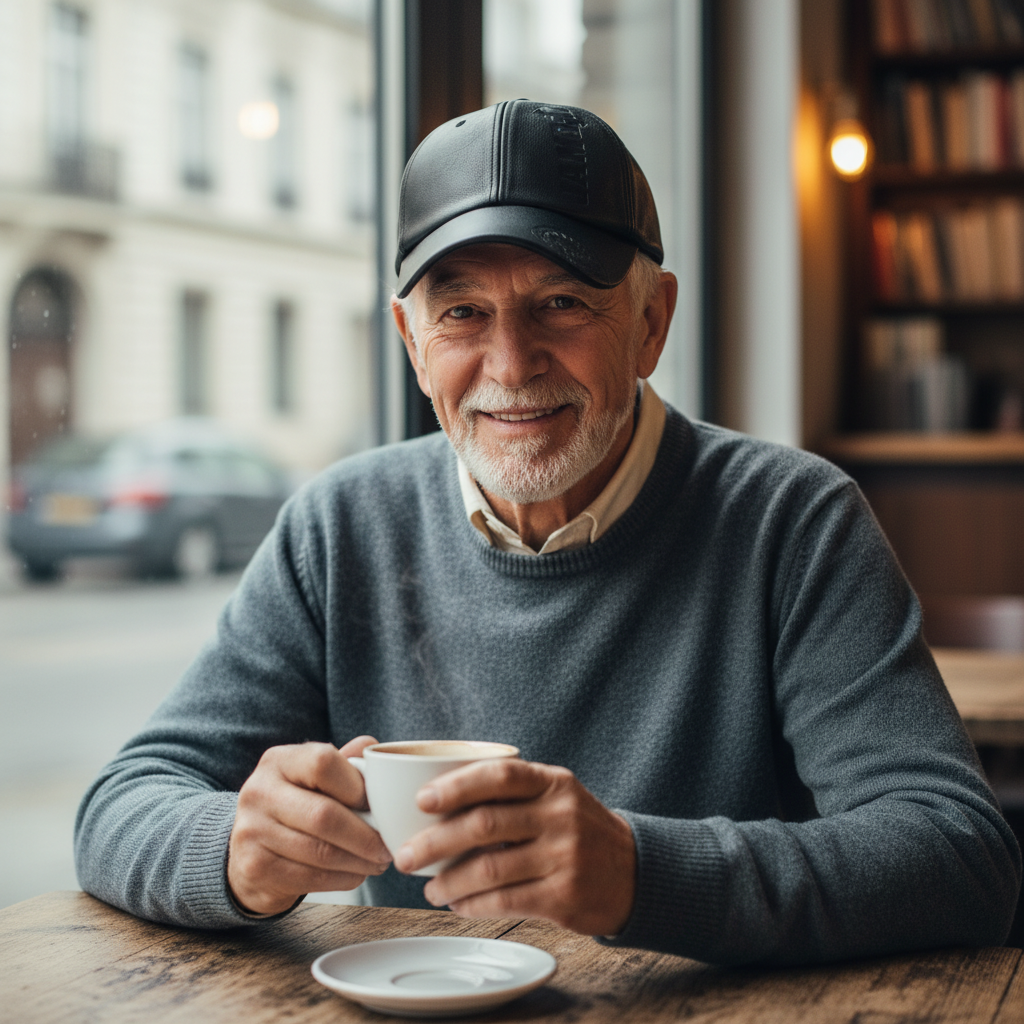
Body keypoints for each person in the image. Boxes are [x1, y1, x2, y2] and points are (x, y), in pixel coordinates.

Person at [75, 100, 1020, 966]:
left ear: (651, 323)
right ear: (411, 342)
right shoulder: (338, 526)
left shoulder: (791, 519)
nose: (510, 364)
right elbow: (123, 805)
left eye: (562, 303)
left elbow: (958, 854)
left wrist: (641, 875)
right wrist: (238, 851)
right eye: (462, 313)